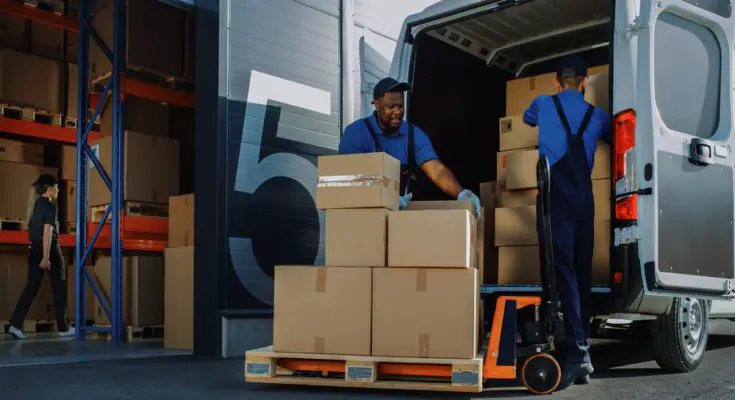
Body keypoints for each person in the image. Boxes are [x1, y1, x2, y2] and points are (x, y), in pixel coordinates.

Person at [523, 55, 612, 389]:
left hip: (555, 198)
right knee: (581, 270)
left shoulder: (542, 103)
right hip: (584, 199)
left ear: (556, 82)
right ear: (585, 82)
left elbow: (528, 119)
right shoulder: (598, 116)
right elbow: (613, 136)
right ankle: (580, 346)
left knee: (561, 272)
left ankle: (574, 353)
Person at [339, 77, 481, 214]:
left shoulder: (413, 135)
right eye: (391, 106)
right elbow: (349, 178)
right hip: (362, 214)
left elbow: (437, 171)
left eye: (401, 106)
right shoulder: (356, 133)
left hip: (396, 215)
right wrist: (385, 199)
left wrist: (461, 192)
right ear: (377, 104)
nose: (398, 112)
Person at [7, 174, 75, 340]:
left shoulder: (35, 205)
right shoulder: (50, 207)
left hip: (34, 250)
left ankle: (15, 325)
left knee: (31, 288)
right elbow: (47, 232)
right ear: (49, 188)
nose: (58, 189)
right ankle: (63, 327)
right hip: (49, 251)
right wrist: (46, 257)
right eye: (56, 187)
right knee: (59, 288)